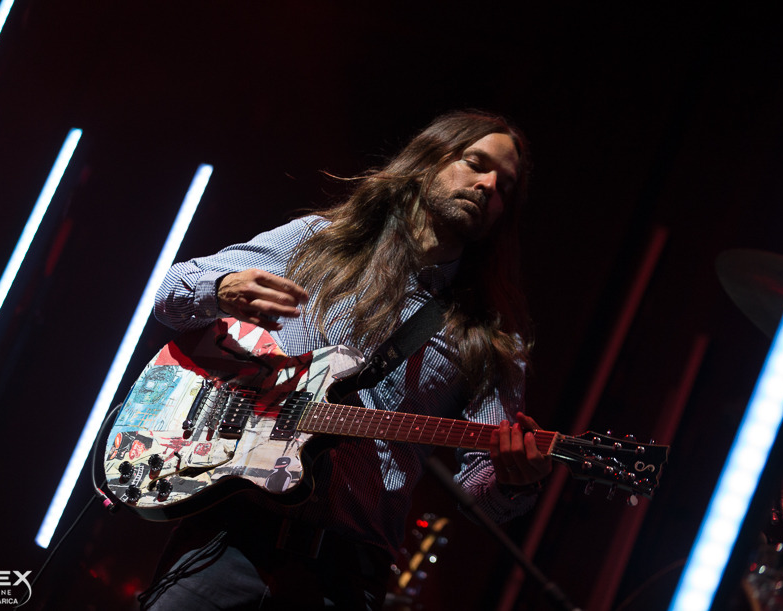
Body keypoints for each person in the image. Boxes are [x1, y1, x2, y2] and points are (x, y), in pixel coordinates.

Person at [141, 110, 552, 610]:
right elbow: (169, 293)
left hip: (345, 575)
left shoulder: (492, 336)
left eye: (506, 186)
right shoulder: (319, 240)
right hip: (229, 533)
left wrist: (513, 483)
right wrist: (222, 289)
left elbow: (480, 485)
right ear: (428, 161)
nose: (489, 185)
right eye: (475, 162)